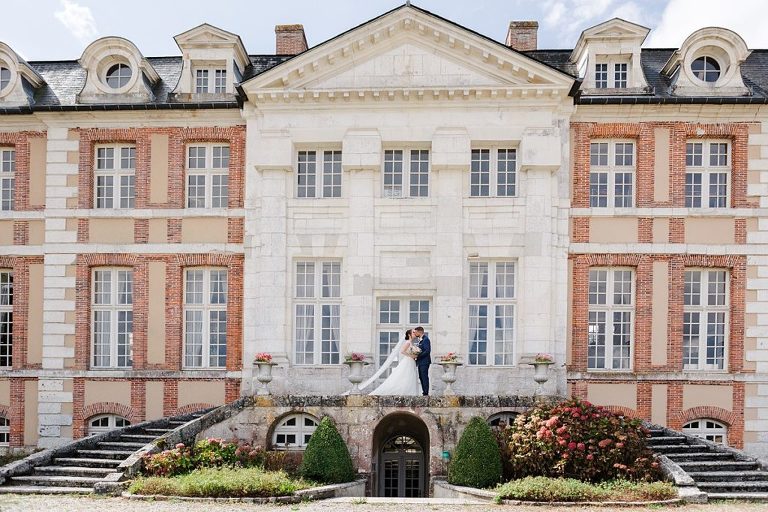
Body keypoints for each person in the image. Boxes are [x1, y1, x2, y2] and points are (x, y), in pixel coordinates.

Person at [369, 329, 421, 396]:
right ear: (409, 334)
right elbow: (402, 351)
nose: (415, 333)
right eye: (413, 332)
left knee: (409, 376)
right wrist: (411, 356)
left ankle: (408, 393)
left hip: (411, 361)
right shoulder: (408, 342)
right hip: (408, 361)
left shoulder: (411, 343)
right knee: (406, 376)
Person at [412, 326, 431, 395]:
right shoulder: (420, 340)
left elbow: (427, 351)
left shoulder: (426, 339)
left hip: (425, 362)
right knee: (421, 377)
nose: (415, 333)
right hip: (420, 362)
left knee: (424, 376)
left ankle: (426, 393)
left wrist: (417, 355)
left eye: (416, 332)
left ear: (420, 332)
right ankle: (424, 392)